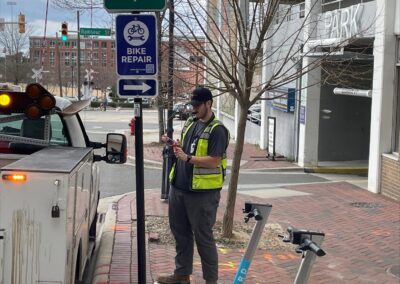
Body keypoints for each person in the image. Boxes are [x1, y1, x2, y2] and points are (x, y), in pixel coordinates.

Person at [157, 87, 230, 284]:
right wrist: (174, 144)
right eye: (192, 105)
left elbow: (215, 160)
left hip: (202, 194)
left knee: (203, 238)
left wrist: (188, 158)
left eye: (197, 105)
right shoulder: (191, 122)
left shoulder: (218, 130)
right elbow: (187, 149)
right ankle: (182, 275)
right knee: (180, 234)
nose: (194, 109)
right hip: (179, 187)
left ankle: (211, 281)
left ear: (209, 104)